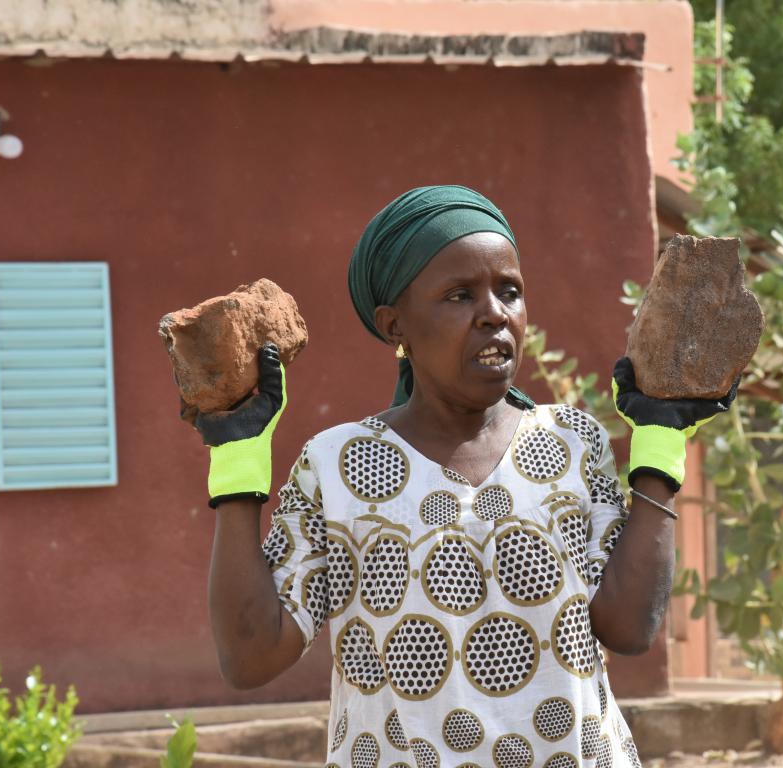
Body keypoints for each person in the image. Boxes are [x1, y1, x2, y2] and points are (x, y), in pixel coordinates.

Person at [188, 185, 739, 767]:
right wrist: (237, 461)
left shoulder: (573, 443)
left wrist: (661, 444)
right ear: (394, 324)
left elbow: (629, 628)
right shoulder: (336, 466)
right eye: (458, 295)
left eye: (509, 291)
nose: (495, 314)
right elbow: (250, 659)